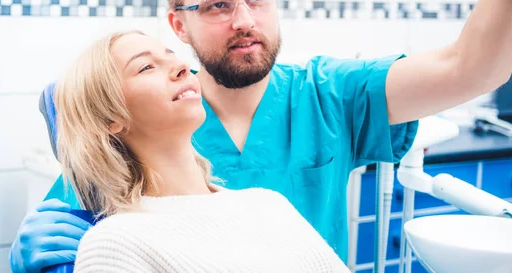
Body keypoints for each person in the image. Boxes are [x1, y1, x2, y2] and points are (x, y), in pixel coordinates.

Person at [10, 0, 512, 273]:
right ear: (178, 25)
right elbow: (84, 221)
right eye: (217, 5)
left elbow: (471, 68)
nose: (244, 19)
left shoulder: (329, 95)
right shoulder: (150, 123)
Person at [53, 29, 350, 272]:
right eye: (146, 67)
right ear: (111, 119)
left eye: (171, 56)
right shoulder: (114, 243)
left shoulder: (268, 204)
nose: (182, 66)